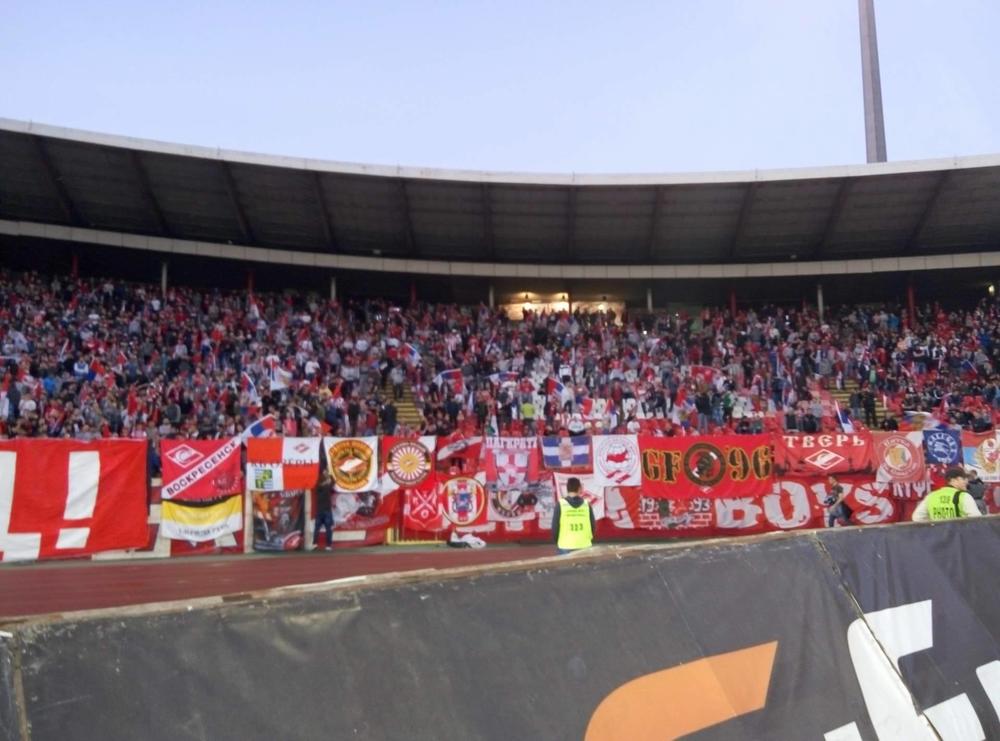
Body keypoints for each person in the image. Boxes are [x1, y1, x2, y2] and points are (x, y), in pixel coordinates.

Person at [912, 467, 983, 522]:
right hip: (959, 535)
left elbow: (917, 518)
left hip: (938, 535)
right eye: (963, 478)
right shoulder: (964, 496)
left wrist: (934, 524)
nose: (966, 481)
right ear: (953, 480)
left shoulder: (931, 496)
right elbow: (977, 519)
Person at [552, 477, 595, 554]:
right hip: (584, 544)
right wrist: (588, 539)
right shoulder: (587, 505)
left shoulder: (560, 504)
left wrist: (558, 541)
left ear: (567, 488)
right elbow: (593, 525)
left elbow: (555, 527)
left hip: (565, 545)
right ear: (579, 488)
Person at [312, 469, 335, 550]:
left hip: (319, 511)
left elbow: (331, 482)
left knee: (317, 529)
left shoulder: (318, 487)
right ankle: (328, 545)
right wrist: (328, 475)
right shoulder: (327, 487)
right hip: (327, 511)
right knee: (328, 529)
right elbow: (333, 482)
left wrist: (326, 478)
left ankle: (314, 544)